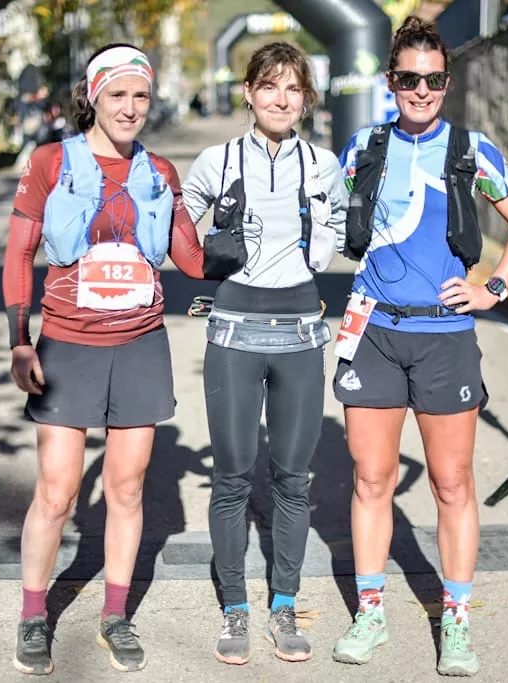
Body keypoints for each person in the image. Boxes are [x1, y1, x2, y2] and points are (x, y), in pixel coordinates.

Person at [329, 16, 508, 676]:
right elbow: (324, 223)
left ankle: (455, 620)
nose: (420, 90)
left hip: (444, 337)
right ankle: (370, 613)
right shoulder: (363, 146)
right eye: (408, 78)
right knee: (372, 480)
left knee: (452, 483)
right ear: (390, 81)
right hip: (373, 334)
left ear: (446, 83)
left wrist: (495, 286)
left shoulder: (471, 150)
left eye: (433, 79)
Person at [1, 43, 205, 676]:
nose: (131, 108)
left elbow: (194, 263)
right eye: (117, 95)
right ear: (93, 97)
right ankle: (35, 614)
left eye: (141, 96)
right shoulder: (49, 163)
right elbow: (19, 255)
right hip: (68, 344)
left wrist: (236, 230)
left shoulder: (160, 173)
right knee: (59, 491)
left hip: (141, 344)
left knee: (126, 487)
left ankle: (115, 616)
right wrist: (19, 338)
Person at [181, 41, 348, 666]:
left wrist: (319, 244)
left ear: (305, 98)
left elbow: (334, 238)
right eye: (269, 86)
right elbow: (176, 224)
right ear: (247, 93)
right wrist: (208, 258)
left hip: (302, 330)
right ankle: (234, 610)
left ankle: (284, 602)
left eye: (293, 88)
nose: (281, 99)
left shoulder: (324, 163)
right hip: (232, 331)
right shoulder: (216, 160)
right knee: (231, 476)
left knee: (292, 479)